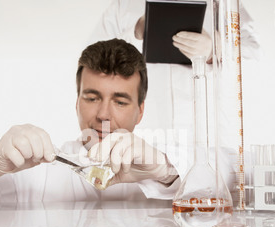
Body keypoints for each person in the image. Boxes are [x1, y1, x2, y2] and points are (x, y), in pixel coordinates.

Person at [0, 39, 181, 203]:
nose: (103, 114)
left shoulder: (160, 167)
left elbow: (209, 192)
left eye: (120, 102)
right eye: (92, 98)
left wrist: (167, 173)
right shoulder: (40, 173)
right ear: (77, 103)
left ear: (140, 111)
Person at [89, 0, 261, 149]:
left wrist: (215, 50)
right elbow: (91, 66)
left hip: (206, 138)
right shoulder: (124, 6)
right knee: (144, 179)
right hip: (145, 135)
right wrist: (134, 33)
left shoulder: (224, 5)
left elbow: (254, 59)